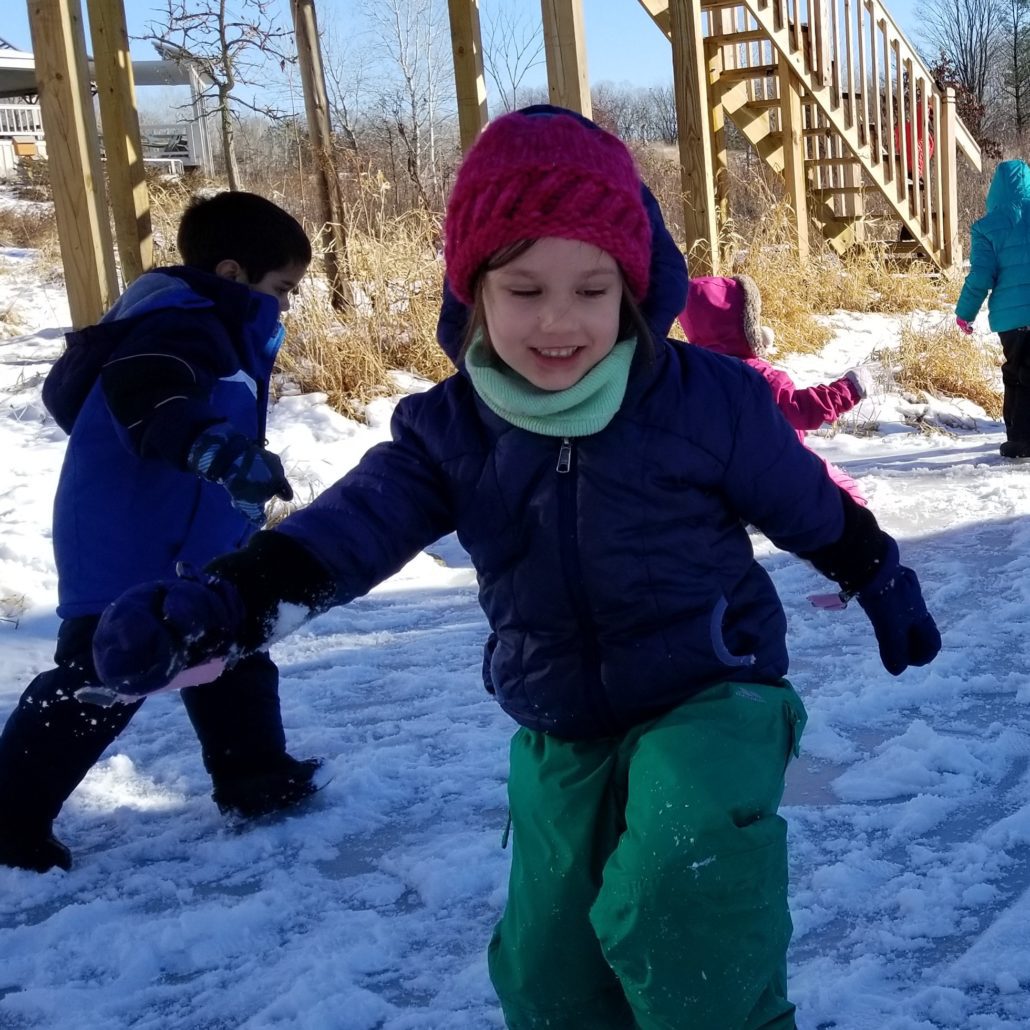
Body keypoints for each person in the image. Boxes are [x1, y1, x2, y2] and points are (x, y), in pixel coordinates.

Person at [90, 108, 941, 1029]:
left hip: (716, 692)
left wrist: (878, 576)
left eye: (592, 289)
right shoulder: (450, 431)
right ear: (473, 295)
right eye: (524, 289)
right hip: (561, 719)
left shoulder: (709, 402)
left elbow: (806, 503)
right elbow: (349, 532)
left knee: (677, 890)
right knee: (547, 976)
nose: (560, 322)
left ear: (633, 290)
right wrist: (225, 603)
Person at [0, 191, 321, 875]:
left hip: (189, 544)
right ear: (232, 274)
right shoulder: (180, 324)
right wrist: (216, 451)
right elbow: (148, 395)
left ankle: (255, 779)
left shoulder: (217, 326)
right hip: (127, 543)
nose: (287, 305)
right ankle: (9, 820)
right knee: (103, 675)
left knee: (232, 650)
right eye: (282, 288)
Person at [678, 274, 872, 505]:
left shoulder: (690, 374)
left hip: (717, 476)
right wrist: (849, 388)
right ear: (746, 325)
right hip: (774, 469)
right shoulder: (758, 377)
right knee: (849, 495)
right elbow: (799, 409)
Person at [954, 159, 1030, 458]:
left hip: (1012, 321)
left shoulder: (986, 228)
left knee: (1016, 374)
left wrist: (965, 313)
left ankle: (1019, 439)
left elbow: (981, 277)